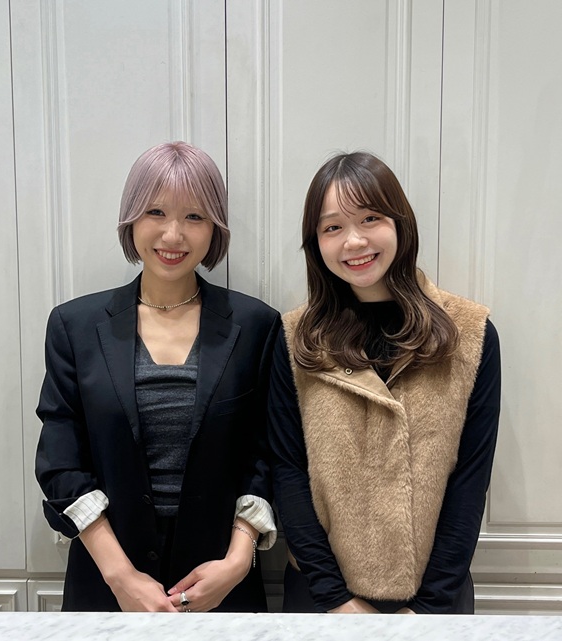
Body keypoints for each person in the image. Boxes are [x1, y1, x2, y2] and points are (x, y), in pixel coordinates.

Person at [35, 141, 280, 612]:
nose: (173, 234)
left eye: (194, 216)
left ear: (214, 228)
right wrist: (120, 576)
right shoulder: (75, 326)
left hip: (220, 585)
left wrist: (236, 563)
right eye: (156, 212)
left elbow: (267, 454)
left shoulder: (256, 326)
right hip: (106, 582)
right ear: (132, 219)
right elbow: (60, 460)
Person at [269, 151, 500, 614]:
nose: (354, 241)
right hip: (321, 600)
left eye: (370, 218)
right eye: (332, 227)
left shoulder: (469, 333)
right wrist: (337, 600)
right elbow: (287, 471)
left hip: (436, 601)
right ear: (316, 242)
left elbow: (471, 480)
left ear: (400, 223)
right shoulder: (297, 340)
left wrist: (428, 609)